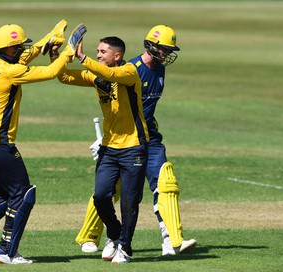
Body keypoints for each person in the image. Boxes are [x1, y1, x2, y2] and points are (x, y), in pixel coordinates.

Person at [0, 20, 87, 264]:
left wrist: (47, 38)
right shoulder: (11, 71)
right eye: (18, 47)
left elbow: (25, 55)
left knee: (6, 192)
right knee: (24, 194)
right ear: (10, 49)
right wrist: (68, 51)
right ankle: (6, 250)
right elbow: (50, 72)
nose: (22, 50)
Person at [75, 25, 197, 256]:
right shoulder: (130, 69)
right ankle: (92, 236)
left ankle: (170, 239)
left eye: (169, 50)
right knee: (111, 189)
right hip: (125, 140)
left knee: (165, 180)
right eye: (163, 48)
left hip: (149, 137)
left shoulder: (159, 69)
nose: (166, 53)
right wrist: (105, 140)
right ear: (150, 45)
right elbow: (111, 102)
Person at [52, 36, 149, 264]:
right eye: (97, 51)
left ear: (117, 56)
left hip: (133, 146)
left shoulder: (128, 71)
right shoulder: (96, 74)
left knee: (129, 201)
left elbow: (111, 75)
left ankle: (125, 247)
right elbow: (64, 76)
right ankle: (114, 233)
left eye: (103, 52)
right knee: (100, 197)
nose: (98, 55)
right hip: (109, 147)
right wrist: (56, 55)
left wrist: (83, 58)